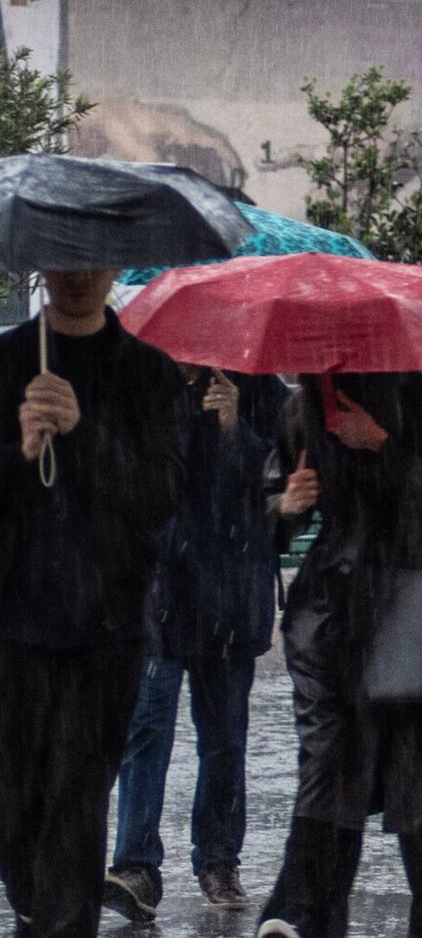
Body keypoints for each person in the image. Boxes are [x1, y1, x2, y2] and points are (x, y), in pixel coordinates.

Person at [256, 368, 422, 938]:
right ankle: (304, 918)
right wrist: (284, 509)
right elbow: (269, 506)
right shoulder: (309, 399)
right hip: (332, 614)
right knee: (331, 774)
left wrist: (384, 445)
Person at [0, 269, 185, 934]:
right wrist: (20, 453)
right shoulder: (10, 361)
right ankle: (37, 907)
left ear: (112, 266)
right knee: (18, 808)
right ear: (41, 267)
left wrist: (85, 434)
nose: (78, 275)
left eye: (92, 260)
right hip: (14, 626)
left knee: (78, 806)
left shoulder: (149, 373)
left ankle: (59, 919)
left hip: (104, 626)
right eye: (63, 260)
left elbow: (159, 495)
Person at [104, 366, 289, 922]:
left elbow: (279, 490)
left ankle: (218, 859)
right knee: (146, 728)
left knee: (225, 737)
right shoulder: (145, 388)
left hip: (232, 595)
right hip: (159, 594)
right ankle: (135, 864)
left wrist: (235, 428)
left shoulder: (260, 390)